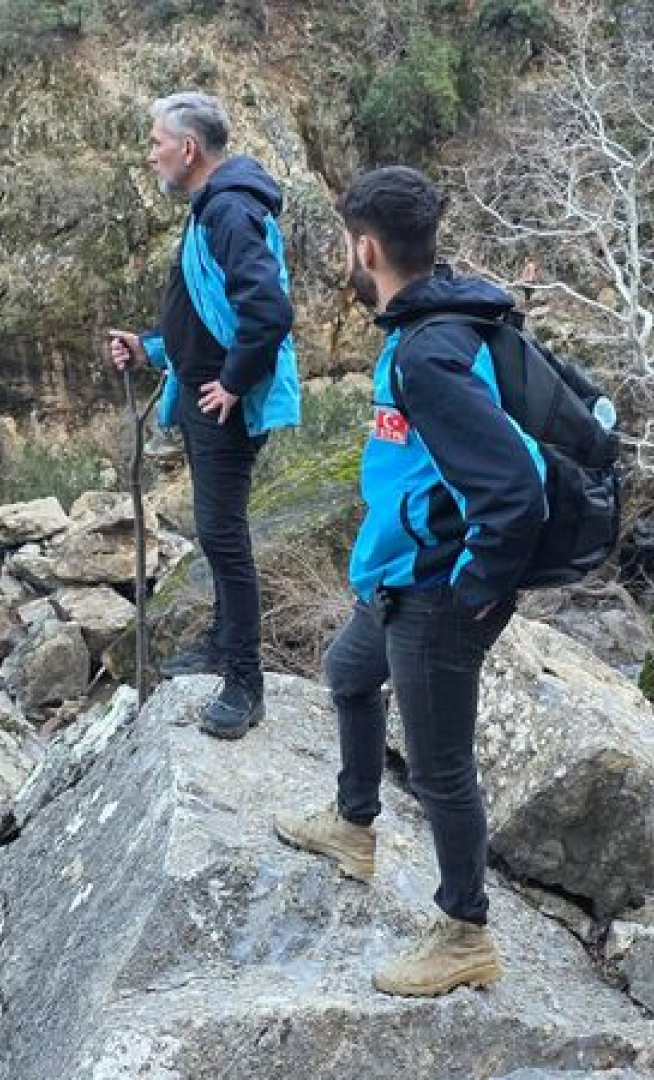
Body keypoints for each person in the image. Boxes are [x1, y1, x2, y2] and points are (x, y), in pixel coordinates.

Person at [270, 166, 548, 998]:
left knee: (440, 771)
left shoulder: (429, 353)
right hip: (397, 575)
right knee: (349, 672)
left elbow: (514, 489)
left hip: (435, 592)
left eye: (345, 246)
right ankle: (353, 824)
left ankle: (465, 933)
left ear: (366, 249)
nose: (344, 261)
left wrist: (475, 589)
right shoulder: (432, 323)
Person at [107, 91, 302, 739]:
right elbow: (202, 312)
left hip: (224, 406)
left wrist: (233, 383)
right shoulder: (210, 208)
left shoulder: (229, 211)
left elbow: (268, 311)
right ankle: (222, 644)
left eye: (157, 142)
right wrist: (149, 347)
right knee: (217, 533)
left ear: (188, 149)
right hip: (201, 395)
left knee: (223, 537)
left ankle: (245, 685)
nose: (151, 154)